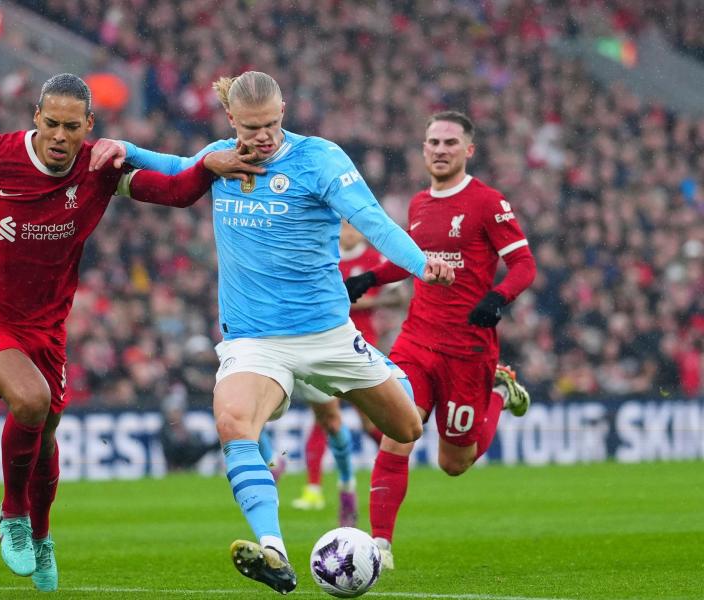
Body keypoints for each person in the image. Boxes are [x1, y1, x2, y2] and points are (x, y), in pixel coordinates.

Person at [0, 73, 263, 592]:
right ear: (36, 118)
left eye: (72, 127)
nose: (61, 137)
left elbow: (174, 193)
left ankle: (42, 537)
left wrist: (209, 167)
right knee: (31, 401)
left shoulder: (99, 167)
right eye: (52, 124)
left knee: (44, 441)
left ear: (90, 125)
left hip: (47, 328)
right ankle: (12, 515)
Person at [89, 71, 455, 594]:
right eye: (252, 127)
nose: (263, 137)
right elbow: (174, 168)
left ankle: (384, 369)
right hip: (254, 340)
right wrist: (121, 146)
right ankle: (274, 552)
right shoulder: (221, 158)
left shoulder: (320, 160)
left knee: (407, 425)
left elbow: (371, 221)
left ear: (284, 110)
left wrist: (422, 264)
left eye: (272, 125)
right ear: (231, 119)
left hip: (327, 335)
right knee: (233, 421)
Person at [344, 111, 537, 570]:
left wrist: (497, 298)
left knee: (455, 462)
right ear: (423, 149)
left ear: (468, 150)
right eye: (433, 142)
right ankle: (380, 546)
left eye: (450, 142)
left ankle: (496, 394)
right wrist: (369, 277)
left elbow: (525, 265)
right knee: (396, 434)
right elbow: (410, 260)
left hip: (468, 349)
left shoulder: (488, 202)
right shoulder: (418, 205)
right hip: (416, 340)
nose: (440, 149)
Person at [290, 221, 407, 526]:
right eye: (344, 226)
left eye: (354, 226)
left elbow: (401, 297)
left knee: (370, 421)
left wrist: (370, 300)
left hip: (363, 348)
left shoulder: (374, 261)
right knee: (325, 418)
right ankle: (315, 487)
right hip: (327, 349)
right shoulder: (326, 255)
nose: (350, 232)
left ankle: (395, 460)